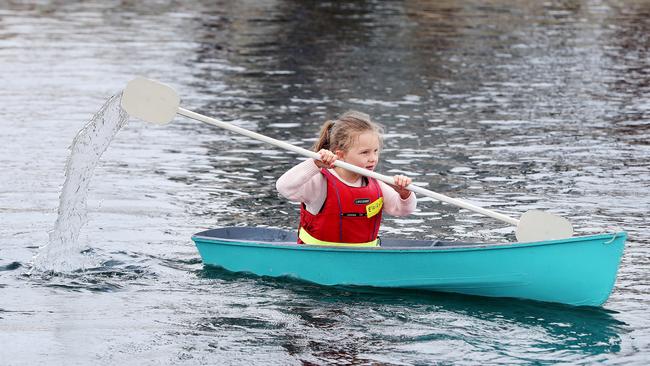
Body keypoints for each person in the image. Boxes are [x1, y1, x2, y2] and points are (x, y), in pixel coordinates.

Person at [276, 110, 417, 247]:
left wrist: (404, 193)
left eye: (375, 151)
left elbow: (403, 210)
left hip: (366, 258)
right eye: (364, 153)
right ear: (341, 154)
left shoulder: (377, 184)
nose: (373, 159)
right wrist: (314, 163)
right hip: (319, 259)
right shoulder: (320, 182)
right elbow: (283, 187)